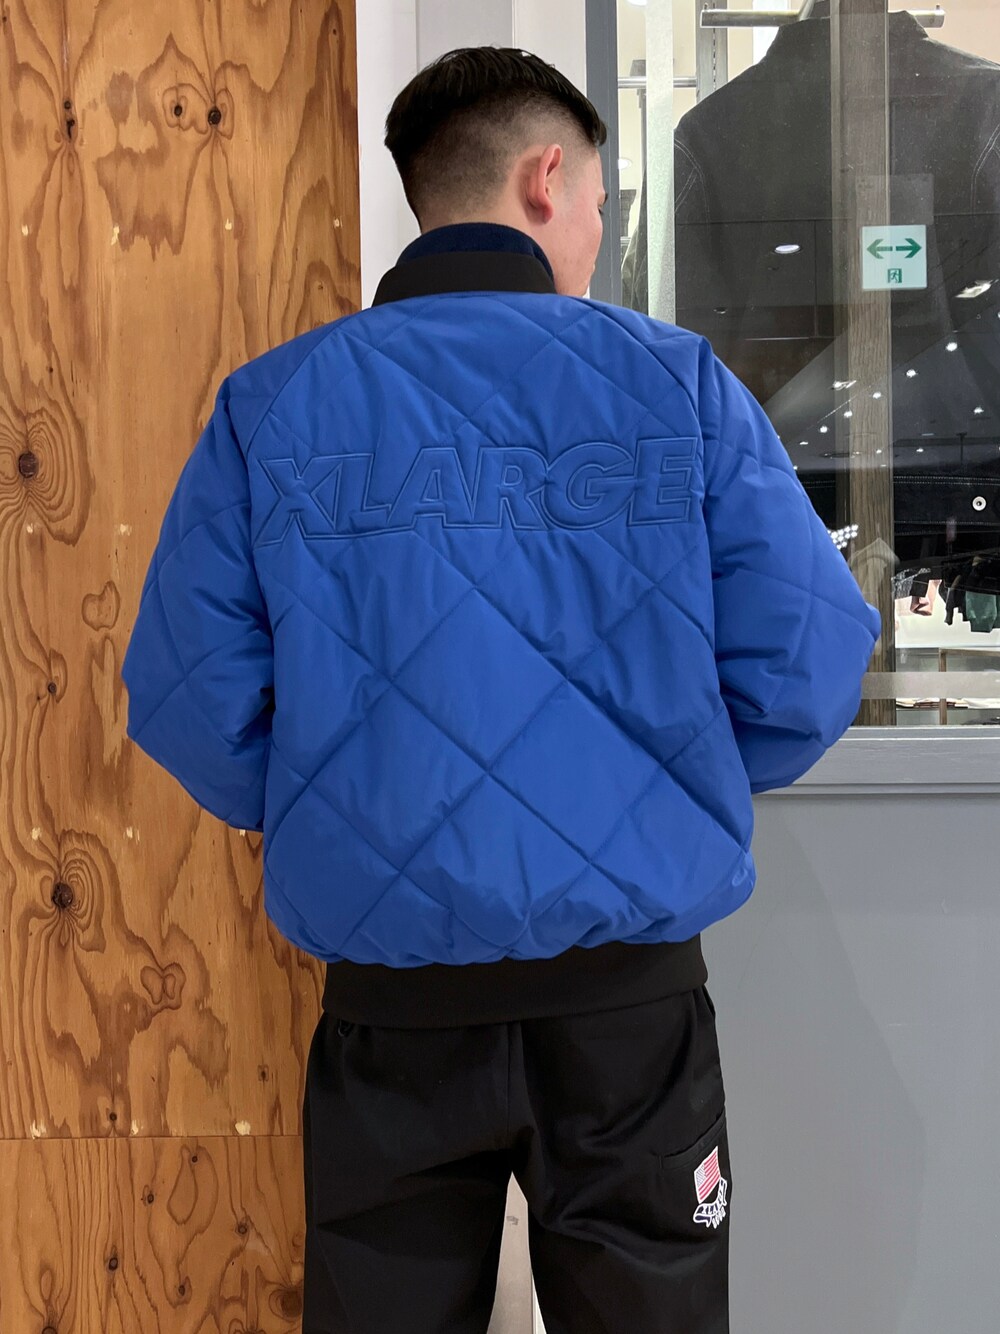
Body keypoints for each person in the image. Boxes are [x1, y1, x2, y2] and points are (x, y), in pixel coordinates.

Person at [121, 47, 880, 1334]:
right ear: (545, 179)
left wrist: (344, 804)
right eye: (598, 204)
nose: (596, 232)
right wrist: (660, 783)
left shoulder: (273, 408)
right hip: (628, 1017)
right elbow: (806, 668)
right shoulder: (676, 384)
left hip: (390, 1010)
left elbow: (190, 697)